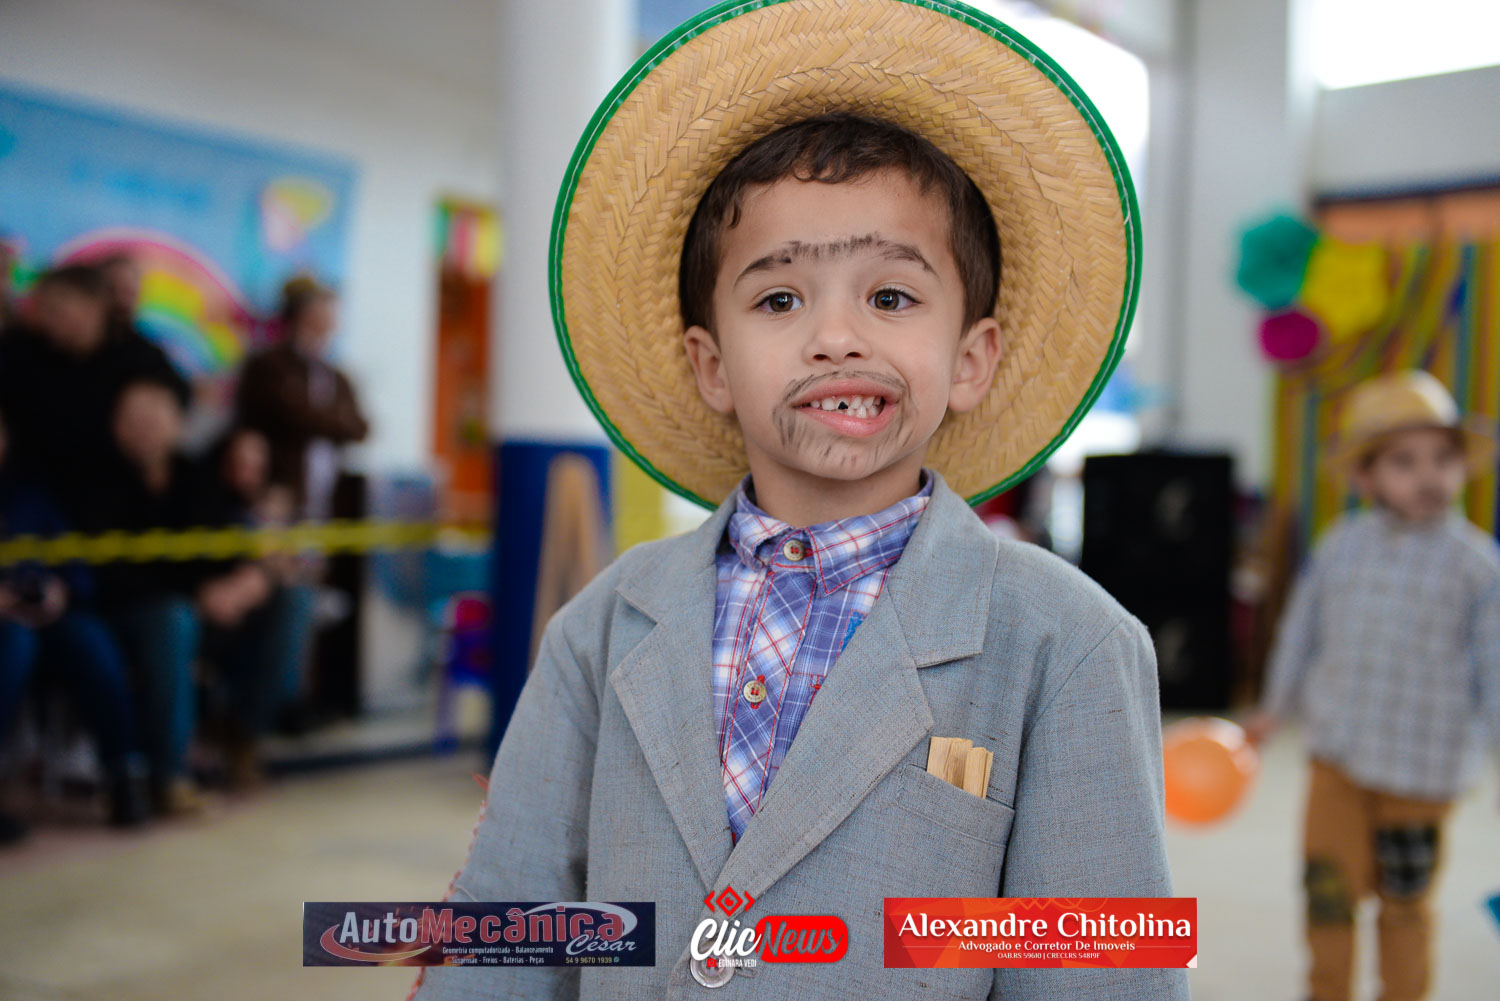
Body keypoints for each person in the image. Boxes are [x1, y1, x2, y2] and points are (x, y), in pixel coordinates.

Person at [412, 4, 1184, 999]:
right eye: (779, 299)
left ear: (971, 358)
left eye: (891, 297)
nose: (835, 337)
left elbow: (1101, 976)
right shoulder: (598, 629)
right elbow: (503, 937)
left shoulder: (1068, 644)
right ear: (712, 364)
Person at [1245, 370, 1500, 1001]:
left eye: (1443, 459)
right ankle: (1327, 991)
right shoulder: (1340, 548)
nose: (1429, 476)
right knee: (1327, 894)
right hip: (1339, 757)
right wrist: (1275, 707)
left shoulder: (1477, 566)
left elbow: (1494, 664)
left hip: (1423, 773)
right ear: (1366, 476)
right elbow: (1300, 633)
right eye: (1405, 462)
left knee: (1406, 905)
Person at [0, 411, 150, 839]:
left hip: (47, 616)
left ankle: (124, 772)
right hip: (9, 627)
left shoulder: (28, 497)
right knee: (16, 644)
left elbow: (75, 564)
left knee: (91, 641)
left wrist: (60, 590)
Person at [0, 263, 190, 525]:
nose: (46, 319)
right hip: (34, 490)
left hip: (115, 490)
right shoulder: (22, 350)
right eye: (42, 309)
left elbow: (176, 400)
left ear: (94, 306)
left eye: (57, 309)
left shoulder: (138, 356)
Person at [234, 275, 368, 521]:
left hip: (326, 500)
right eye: (325, 308)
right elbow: (284, 417)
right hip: (277, 494)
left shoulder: (336, 376)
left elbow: (360, 427)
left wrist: (310, 414)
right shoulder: (269, 365)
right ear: (305, 312)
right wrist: (334, 419)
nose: (333, 318)